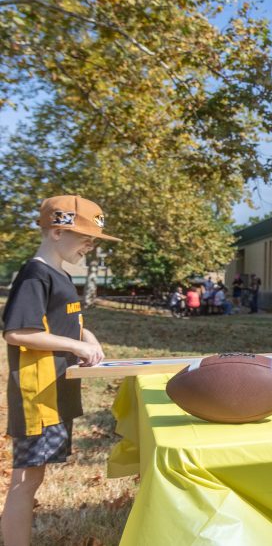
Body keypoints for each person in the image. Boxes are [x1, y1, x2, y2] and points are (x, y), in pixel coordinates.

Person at [1, 195, 120, 546]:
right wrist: (76, 347)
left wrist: (87, 337)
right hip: (37, 396)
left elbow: (61, 322)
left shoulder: (60, 274)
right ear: (56, 231)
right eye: (85, 237)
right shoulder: (35, 274)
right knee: (25, 481)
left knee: (33, 478)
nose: (90, 245)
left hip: (56, 391)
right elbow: (17, 332)